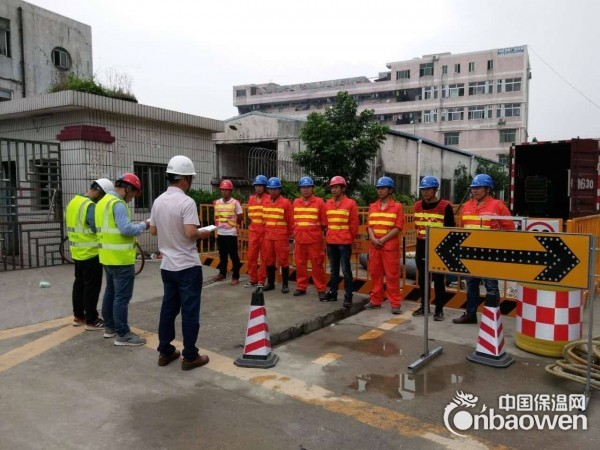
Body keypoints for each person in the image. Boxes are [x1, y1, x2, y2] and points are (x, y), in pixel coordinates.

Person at [149, 155, 211, 370]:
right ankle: (190, 356)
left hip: (167, 266)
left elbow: (153, 230)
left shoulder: (158, 201)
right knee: (190, 312)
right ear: (184, 179)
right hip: (187, 265)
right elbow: (191, 232)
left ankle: (165, 351)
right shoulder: (186, 202)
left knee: (168, 309)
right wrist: (205, 232)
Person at [453, 174, 516, 324]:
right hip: (471, 252)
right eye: (473, 188)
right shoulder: (467, 206)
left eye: (478, 188)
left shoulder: (497, 206)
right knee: (471, 285)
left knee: (491, 286)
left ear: (487, 189)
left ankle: (492, 320)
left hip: (489, 253)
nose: (475, 191)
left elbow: (510, 229)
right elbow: (464, 228)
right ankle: (470, 314)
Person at [96, 172, 149, 346]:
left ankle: (110, 327)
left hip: (107, 257)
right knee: (121, 298)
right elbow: (126, 229)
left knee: (110, 292)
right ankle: (123, 334)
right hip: (121, 259)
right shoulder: (118, 204)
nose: (132, 198)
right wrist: (144, 225)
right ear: (128, 189)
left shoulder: (102, 202)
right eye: (133, 194)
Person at [66, 178, 114, 330]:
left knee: (79, 284)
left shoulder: (74, 201)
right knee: (91, 287)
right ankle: (92, 319)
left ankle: (78, 316)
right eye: (103, 196)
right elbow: (96, 227)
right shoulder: (90, 206)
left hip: (77, 251)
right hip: (91, 252)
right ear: (99, 192)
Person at [413, 176, 455, 321]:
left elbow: (449, 229)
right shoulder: (417, 206)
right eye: (423, 189)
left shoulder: (445, 206)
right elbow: (417, 226)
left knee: (438, 280)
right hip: (421, 245)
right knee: (423, 279)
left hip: (439, 247)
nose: (425, 192)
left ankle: (439, 309)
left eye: (428, 189)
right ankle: (424, 306)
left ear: (435, 190)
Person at [365, 176, 404, 314]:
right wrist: (373, 239)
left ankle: (395, 303)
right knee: (375, 273)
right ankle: (376, 300)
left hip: (389, 248)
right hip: (375, 247)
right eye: (378, 188)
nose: (380, 191)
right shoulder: (373, 206)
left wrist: (382, 240)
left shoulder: (397, 207)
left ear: (390, 190)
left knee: (392, 275)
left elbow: (398, 227)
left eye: (383, 188)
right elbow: (369, 225)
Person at [324, 176, 359, 308]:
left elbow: (354, 225)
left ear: (343, 188)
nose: (334, 190)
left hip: (344, 242)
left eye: (336, 187)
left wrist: (349, 238)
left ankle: (348, 296)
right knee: (333, 270)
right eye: (332, 187)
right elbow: (326, 222)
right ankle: (333, 293)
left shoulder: (350, 203)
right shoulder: (328, 203)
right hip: (331, 241)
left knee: (346, 270)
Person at [292, 176, 328, 300]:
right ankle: (301, 286)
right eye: (303, 187)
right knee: (300, 264)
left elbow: (324, 222)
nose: (305, 190)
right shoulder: (296, 202)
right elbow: (293, 220)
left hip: (314, 240)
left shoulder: (319, 202)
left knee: (317, 265)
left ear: (312, 188)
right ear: (300, 189)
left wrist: (315, 233)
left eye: (308, 187)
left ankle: (321, 289)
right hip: (300, 239)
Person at [262, 177, 294, 293]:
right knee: (269, 260)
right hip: (269, 236)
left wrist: (290, 238)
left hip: (281, 237)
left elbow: (291, 221)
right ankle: (271, 283)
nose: (272, 191)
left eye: (275, 189)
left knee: (283, 260)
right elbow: (264, 220)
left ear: (279, 190)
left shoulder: (286, 203)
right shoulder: (265, 202)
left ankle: (285, 284)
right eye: (270, 189)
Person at [213, 180, 243, 285]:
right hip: (220, 232)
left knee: (233, 256)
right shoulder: (217, 202)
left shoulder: (235, 203)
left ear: (230, 191)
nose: (224, 192)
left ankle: (235, 276)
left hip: (231, 233)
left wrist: (234, 225)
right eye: (222, 190)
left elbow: (240, 216)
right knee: (222, 255)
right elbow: (216, 217)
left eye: (226, 190)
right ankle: (222, 273)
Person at [245, 175, 268, 288]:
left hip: (264, 232)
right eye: (256, 186)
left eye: (260, 186)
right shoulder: (251, 199)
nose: (258, 188)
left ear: (264, 187)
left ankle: (261, 280)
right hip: (254, 231)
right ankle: (253, 279)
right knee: (251, 256)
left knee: (264, 257)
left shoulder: (268, 198)